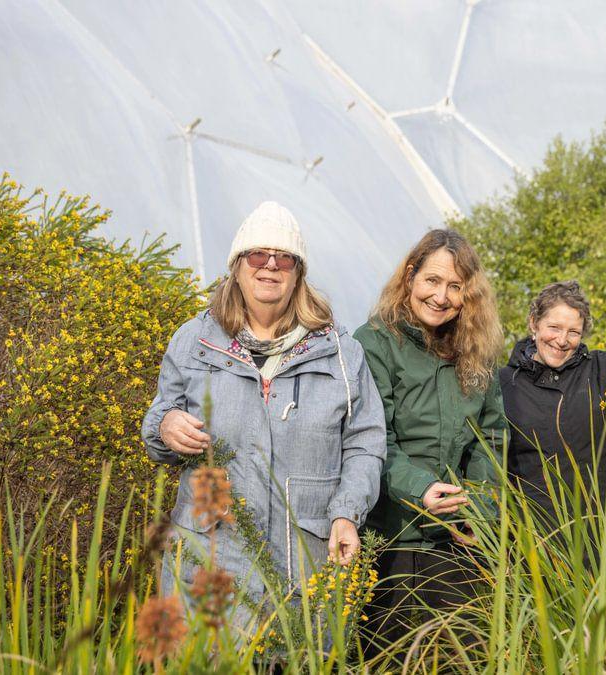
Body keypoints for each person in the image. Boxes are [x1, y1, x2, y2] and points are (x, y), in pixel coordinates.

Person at [141, 201, 386, 634]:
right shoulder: (194, 340)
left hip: (305, 561)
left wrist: (348, 513)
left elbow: (365, 442)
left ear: (298, 273)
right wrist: (164, 426)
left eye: (284, 258)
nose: (270, 265)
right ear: (237, 267)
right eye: (258, 255)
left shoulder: (340, 352)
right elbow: (161, 417)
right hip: (210, 558)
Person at [353, 228, 505, 652]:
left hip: (457, 539)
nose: (441, 296)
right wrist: (419, 490)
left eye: (455, 286)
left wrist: (479, 511)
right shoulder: (374, 343)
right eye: (432, 281)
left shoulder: (478, 351)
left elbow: (490, 440)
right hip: (390, 537)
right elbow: (373, 439)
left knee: (465, 655)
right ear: (410, 277)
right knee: (386, 656)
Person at [500, 280, 606, 522]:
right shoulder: (503, 384)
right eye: (554, 327)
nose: (561, 340)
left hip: (605, 535)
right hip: (534, 539)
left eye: (573, 332)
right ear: (534, 323)